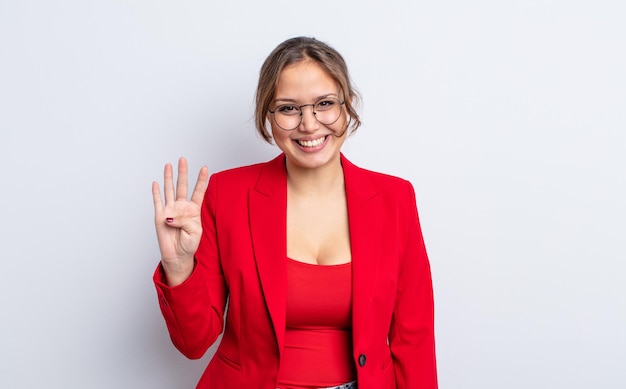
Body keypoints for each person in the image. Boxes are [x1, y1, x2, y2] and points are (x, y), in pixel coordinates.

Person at [151, 36, 437, 389]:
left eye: (325, 104)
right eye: (289, 108)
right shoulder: (226, 195)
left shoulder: (395, 198)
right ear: (267, 117)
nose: (310, 124)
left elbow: (415, 340)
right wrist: (179, 269)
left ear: (347, 106)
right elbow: (194, 344)